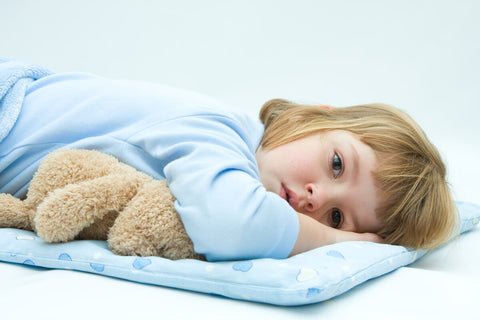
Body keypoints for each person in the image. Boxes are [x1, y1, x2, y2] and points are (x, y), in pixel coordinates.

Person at [0, 58, 457, 261]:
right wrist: (339, 241)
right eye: (337, 164)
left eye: (338, 217)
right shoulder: (215, 128)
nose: (316, 200)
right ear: (317, 117)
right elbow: (231, 222)